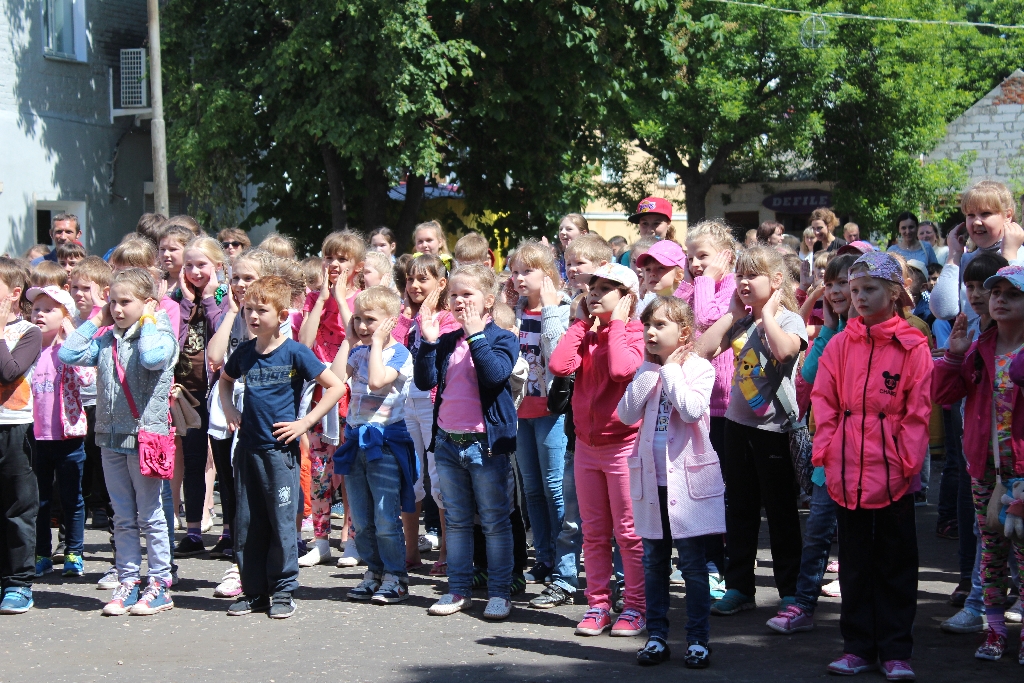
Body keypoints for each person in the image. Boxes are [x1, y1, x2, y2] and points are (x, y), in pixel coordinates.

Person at [810, 251, 931, 679]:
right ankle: (858, 647)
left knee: (896, 563)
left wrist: (906, 462)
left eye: (870, 289)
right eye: (855, 289)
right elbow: (823, 401)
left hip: (894, 470)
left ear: (894, 293)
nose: (859, 297)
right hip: (846, 468)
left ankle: (896, 649)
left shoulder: (912, 345)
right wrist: (826, 451)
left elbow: (918, 410)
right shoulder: (841, 344)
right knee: (856, 563)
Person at [220, 276, 345, 619]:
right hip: (248, 451)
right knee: (248, 524)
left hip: (280, 454)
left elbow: (335, 387)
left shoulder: (295, 352)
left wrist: (305, 422)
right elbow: (225, 380)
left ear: (282, 315)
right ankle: (254, 592)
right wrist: (229, 409)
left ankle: (283, 590)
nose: (253, 316)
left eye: (262, 310)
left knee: (281, 523)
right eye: (248, 309)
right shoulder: (244, 353)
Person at [60, 268, 179, 616]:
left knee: (151, 517)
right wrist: (95, 319)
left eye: (125, 302)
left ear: (148, 303)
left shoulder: (161, 336)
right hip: (110, 438)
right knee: (123, 517)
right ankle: (128, 581)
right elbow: (68, 354)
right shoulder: (107, 339)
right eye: (112, 302)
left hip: (144, 439)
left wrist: (150, 319)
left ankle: (159, 584)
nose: (116, 309)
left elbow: (152, 358)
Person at [695, 245, 807, 615]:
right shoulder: (740, 321)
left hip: (774, 431)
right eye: (739, 275)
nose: (743, 282)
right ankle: (740, 588)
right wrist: (730, 314)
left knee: (780, 512)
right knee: (739, 510)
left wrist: (768, 314)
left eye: (752, 275)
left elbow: (785, 352)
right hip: (737, 427)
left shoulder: (788, 320)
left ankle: (790, 590)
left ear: (776, 280)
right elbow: (701, 352)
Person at [621, 296, 724, 669]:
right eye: (647, 325)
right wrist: (650, 371)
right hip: (653, 483)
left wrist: (671, 371)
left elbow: (691, 410)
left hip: (687, 484)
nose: (650, 331)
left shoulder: (699, 368)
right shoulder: (648, 370)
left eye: (660, 325)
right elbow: (626, 413)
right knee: (654, 562)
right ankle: (656, 636)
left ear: (684, 333)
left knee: (693, 564)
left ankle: (697, 640)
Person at [415, 264, 519, 620]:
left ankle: (500, 592)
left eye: (468, 294)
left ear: (488, 300)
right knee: (458, 521)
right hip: (448, 443)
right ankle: (458, 589)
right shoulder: (448, 340)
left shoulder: (503, 338)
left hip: (484, 445)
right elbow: (425, 381)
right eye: (454, 295)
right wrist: (429, 342)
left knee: (494, 521)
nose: (459, 301)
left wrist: (476, 335)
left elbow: (494, 375)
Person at [549, 263, 647, 637]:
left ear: (627, 299)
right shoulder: (587, 334)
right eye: (593, 287)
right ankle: (598, 605)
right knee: (593, 532)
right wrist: (579, 324)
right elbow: (559, 365)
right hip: (587, 448)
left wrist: (618, 323)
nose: (594, 294)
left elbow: (622, 370)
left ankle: (635, 606)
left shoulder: (635, 332)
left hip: (623, 447)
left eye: (607, 289)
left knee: (628, 533)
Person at [766, 252, 857, 635]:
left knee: (858, 537)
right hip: (829, 453)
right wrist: (831, 328)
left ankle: (863, 615)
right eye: (830, 284)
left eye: (843, 284)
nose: (835, 291)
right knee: (818, 532)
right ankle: (803, 605)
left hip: (866, 458)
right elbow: (809, 371)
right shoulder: (835, 331)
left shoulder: (871, 334)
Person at [937, 264, 1024, 661]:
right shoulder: (979, 347)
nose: (1000, 300)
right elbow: (944, 396)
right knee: (991, 550)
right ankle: (995, 631)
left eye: (1013, 294)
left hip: (1021, 473)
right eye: (997, 293)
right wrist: (954, 357)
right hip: (985, 468)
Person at [529, 234, 613, 610]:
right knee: (573, 515)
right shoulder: (566, 309)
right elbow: (558, 362)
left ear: (603, 268)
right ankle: (564, 579)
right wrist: (558, 316)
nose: (572, 269)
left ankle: (621, 584)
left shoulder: (621, 317)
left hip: (614, 431)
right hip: (577, 428)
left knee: (619, 518)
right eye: (568, 261)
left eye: (581, 262)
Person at [331, 286, 417, 604]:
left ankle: (396, 576)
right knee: (362, 519)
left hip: (385, 444)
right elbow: (334, 379)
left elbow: (378, 381)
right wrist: (348, 340)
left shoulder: (400, 354)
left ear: (391, 321)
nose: (363, 326)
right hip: (356, 441)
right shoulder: (358, 353)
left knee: (384, 516)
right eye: (358, 319)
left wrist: (378, 343)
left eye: (370, 320)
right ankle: (374, 571)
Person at [676, 219, 738, 595]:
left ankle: (727, 561)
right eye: (691, 257)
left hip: (726, 403)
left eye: (703, 256)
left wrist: (707, 280)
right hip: (696, 404)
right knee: (702, 487)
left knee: (725, 489)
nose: (696, 263)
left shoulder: (732, 286)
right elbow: (680, 318)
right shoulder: (692, 283)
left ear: (725, 257)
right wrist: (691, 279)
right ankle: (708, 559)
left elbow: (706, 319)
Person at [298, 230, 365, 566]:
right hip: (320, 392)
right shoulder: (314, 298)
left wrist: (340, 299)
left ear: (357, 266)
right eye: (329, 258)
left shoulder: (362, 299)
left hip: (351, 390)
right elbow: (303, 342)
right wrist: (323, 299)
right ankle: (321, 539)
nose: (334, 264)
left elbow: (357, 334)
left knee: (350, 468)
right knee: (321, 469)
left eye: (342, 259)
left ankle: (352, 539)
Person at [507, 241, 571, 586]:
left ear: (547, 274)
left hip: (551, 411)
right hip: (521, 411)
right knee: (531, 488)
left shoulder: (562, 309)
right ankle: (544, 557)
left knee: (553, 488)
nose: (519, 278)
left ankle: (564, 560)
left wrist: (548, 310)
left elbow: (557, 355)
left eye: (527, 271)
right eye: (515, 271)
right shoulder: (513, 311)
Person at [393, 254, 460, 573]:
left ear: (441, 283)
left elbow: (439, 358)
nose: (414, 285)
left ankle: (446, 550)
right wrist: (405, 316)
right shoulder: (405, 316)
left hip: (434, 404)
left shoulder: (447, 318)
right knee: (409, 476)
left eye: (423, 279)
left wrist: (423, 315)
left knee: (439, 478)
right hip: (405, 402)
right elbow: (393, 348)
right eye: (410, 279)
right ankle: (410, 550)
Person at [28, 285, 92, 580]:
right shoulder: (29, 350)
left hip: (69, 437)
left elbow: (88, 378)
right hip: (36, 438)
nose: (39, 314)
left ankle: (73, 552)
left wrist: (73, 338)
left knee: (72, 499)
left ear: (65, 316)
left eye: (48, 309)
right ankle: (41, 554)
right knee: (39, 501)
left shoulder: (68, 351)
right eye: (35, 309)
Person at [174, 237, 230, 556]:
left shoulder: (225, 296)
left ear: (217, 266)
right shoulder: (179, 297)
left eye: (202, 265)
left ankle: (228, 531)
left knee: (223, 462)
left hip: (219, 392)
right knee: (193, 461)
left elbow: (221, 332)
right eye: (189, 265)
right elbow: (177, 340)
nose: (195, 272)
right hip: (189, 393)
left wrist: (209, 298)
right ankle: (193, 530)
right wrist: (185, 301)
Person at [0, 259, 42, 614]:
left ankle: (17, 583)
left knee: (17, 507)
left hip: (14, 426)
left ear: (14, 294)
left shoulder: (28, 332)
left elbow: (9, 372)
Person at [67, 257, 114, 548]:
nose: (78, 294)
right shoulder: (68, 319)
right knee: (75, 475)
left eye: (86, 288)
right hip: (72, 406)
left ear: (102, 291)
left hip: (100, 403)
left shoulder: (106, 321)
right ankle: (70, 543)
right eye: (74, 287)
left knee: (103, 471)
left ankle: (115, 540)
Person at [930, 180, 1024, 325]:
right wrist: (953, 256)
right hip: (972, 339)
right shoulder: (964, 260)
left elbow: (1012, 305)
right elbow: (943, 310)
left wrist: (1009, 258)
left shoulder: (1020, 258)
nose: (976, 222)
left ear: (1007, 215)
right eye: (971, 215)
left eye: (985, 214)